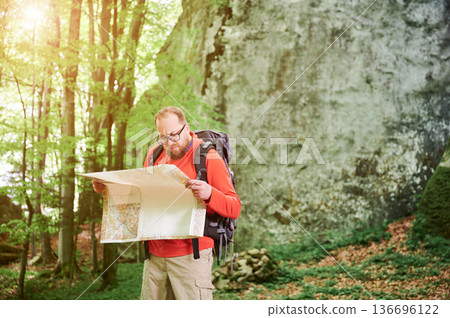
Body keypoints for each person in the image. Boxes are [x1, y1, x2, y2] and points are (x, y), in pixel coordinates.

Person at [93, 106, 241, 300]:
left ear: (187, 128)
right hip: (154, 257)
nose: (169, 143)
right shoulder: (154, 155)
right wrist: (110, 190)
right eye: (163, 137)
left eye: (174, 135)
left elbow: (234, 207)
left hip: (191, 257)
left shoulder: (207, 156)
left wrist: (209, 192)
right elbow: (143, 197)